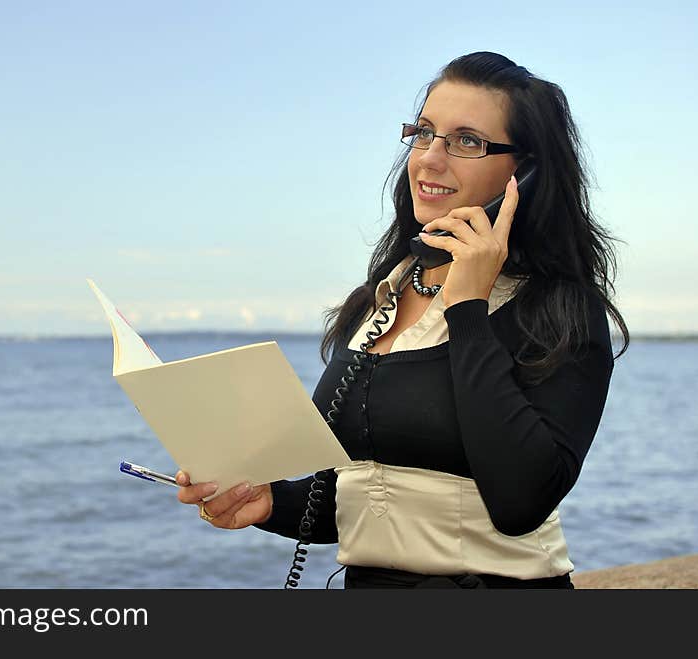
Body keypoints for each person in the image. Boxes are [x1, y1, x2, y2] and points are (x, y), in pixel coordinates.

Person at [175, 51, 630, 589]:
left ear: (523, 173)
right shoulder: (379, 298)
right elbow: (358, 499)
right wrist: (268, 502)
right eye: (424, 133)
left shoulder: (560, 313)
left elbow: (520, 501)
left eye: (466, 141)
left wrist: (467, 309)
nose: (430, 160)